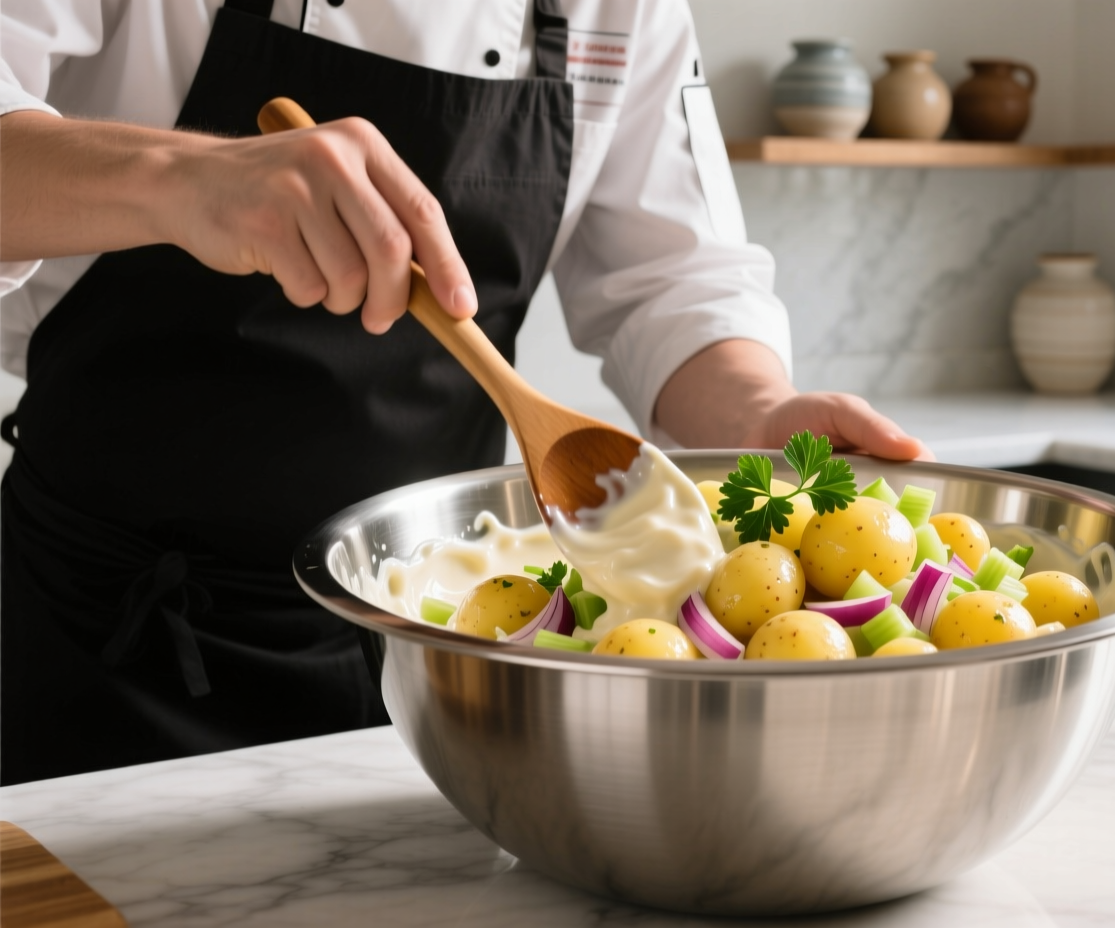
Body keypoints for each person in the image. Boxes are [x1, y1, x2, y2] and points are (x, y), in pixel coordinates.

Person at [0, 0, 926, 785]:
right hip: (106, 642)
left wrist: (761, 411)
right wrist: (179, 177)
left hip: (438, 657)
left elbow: (676, 284)